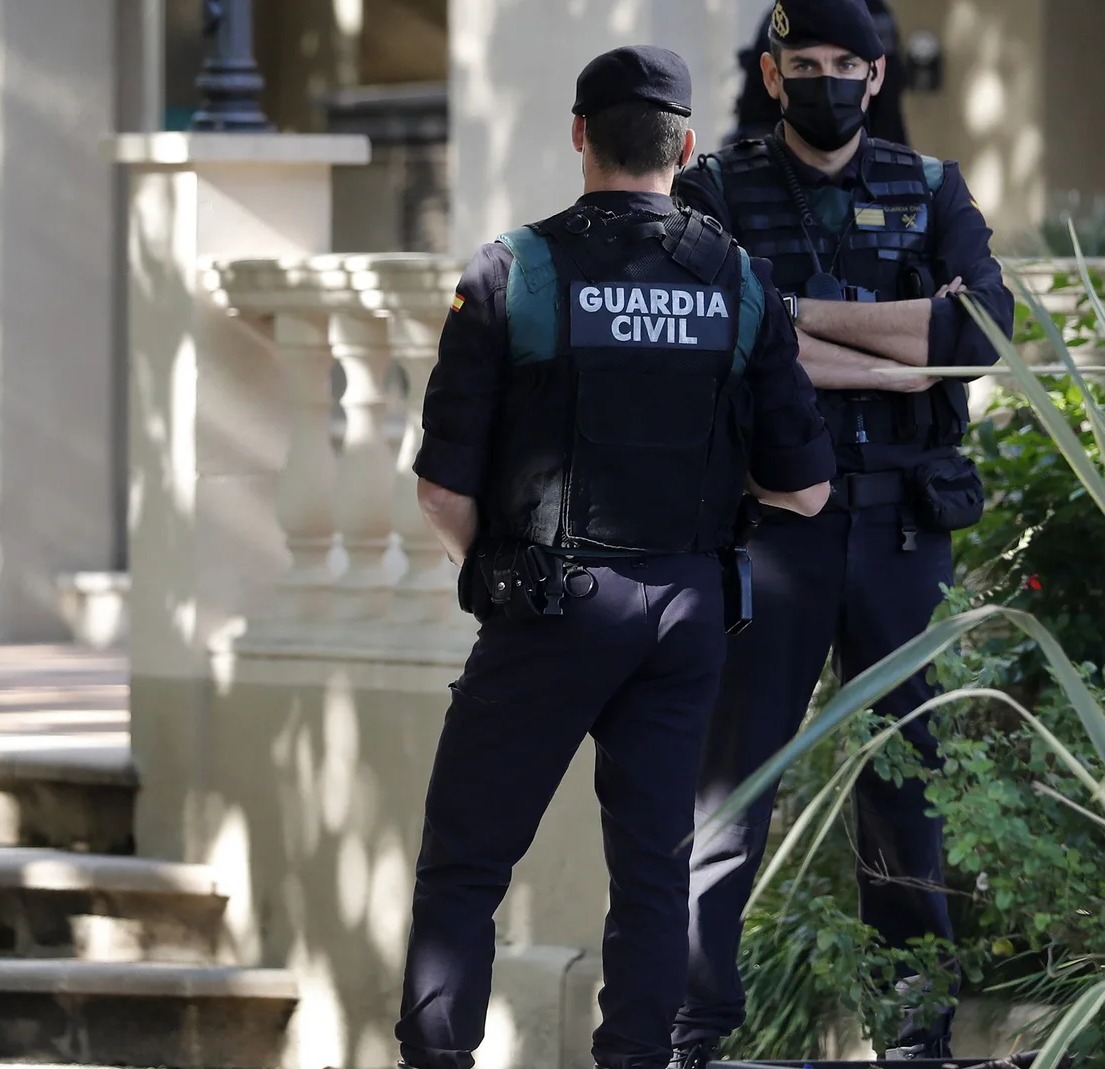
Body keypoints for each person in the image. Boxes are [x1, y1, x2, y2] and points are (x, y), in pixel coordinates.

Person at [395, 46, 836, 1069]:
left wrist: (499, 568)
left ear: (579, 135)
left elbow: (438, 487)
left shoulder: (515, 271)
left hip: (550, 602)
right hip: (686, 612)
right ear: (684, 145)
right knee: (653, 871)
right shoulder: (738, 280)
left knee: (464, 865)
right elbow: (806, 487)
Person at [668, 1, 1014, 1063]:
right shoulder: (711, 190)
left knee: (908, 792)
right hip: (770, 537)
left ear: (872, 77)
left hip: (904, 531)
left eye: (841, 64)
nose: (821, 79)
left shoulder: (930, 187)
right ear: (771, 76)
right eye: (800, 62)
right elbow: (722, 330)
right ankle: (693, 1031)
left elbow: (979, 331)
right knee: (730, 799)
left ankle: (914, 1036)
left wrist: (796, 315)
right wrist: (887, 345)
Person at [728, 0, 907, 146]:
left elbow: (887, 104)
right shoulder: (786, 14)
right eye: (806, 66)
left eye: (845, 64)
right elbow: (757, 110)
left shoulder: (872, 13)